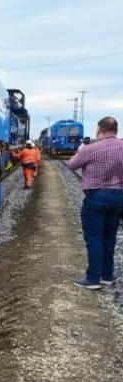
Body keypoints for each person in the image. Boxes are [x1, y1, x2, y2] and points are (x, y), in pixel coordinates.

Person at [68, 117, 123, 290]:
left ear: (100, 129)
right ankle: (107, 275)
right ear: (116, 129)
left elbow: (71, 165)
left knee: (94, 237)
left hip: (97, 196)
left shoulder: (91, 148)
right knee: (110, 236)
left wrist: (81, 153)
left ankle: (93, 278)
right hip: (119, 197)